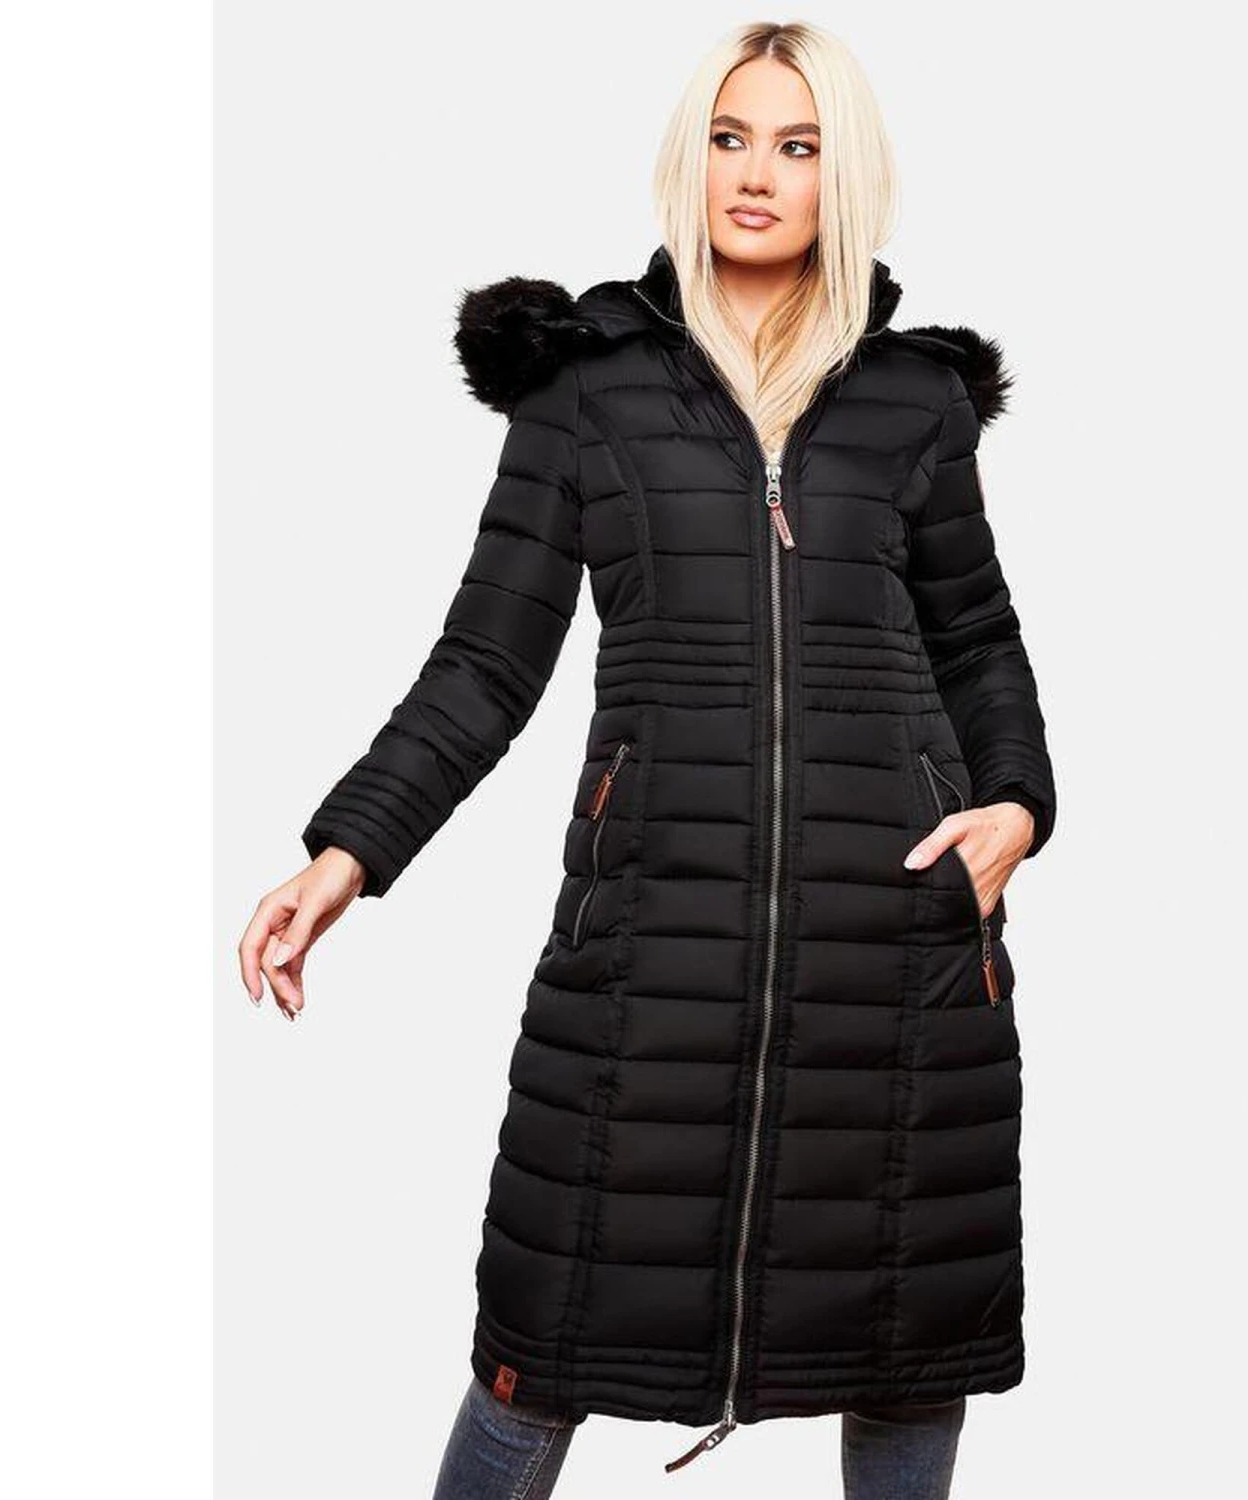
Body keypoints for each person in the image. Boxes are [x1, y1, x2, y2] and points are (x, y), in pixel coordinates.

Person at [238, 20, 1056, 1499]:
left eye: (798, 146)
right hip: (646, 945)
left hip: (898, 945)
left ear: (846, 175)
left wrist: (1014, 807)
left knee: (905, 1353)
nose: (757, 174)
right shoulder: (589, 387)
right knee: (537, 1355)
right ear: (691, 156)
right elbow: (486, 662)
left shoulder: (916, 401)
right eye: (731, 138)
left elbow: (978, 639)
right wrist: (345, 855)